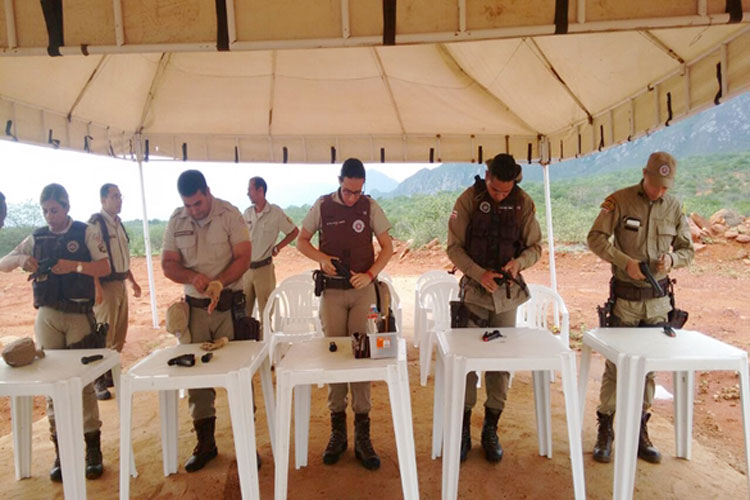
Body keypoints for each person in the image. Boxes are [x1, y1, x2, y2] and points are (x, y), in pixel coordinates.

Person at [587, 151, 694, 464]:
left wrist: (671, 260)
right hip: (625, 302)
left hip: (658, 304)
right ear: (644, 174)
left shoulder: (674, 207)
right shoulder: (619, 201)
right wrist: (624, 262)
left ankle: (639, 430)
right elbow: (595, 238)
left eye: (665, 186)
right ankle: (605, 428)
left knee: (647, 368)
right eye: (655, 184)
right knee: (616, 366)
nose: (659, 191)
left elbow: (687, 250)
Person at [0, 183, 111, 482]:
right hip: (48, 316)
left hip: (78, 315)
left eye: (55, 210)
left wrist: (74, 267)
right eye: (46, 211)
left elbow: (104, 267)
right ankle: (61, 451)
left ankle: (92, 449)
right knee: (52, 384)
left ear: (66, 206)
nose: (50, 216)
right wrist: (23, 259)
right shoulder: (37, 237)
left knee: (82, 383)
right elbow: (4, 263)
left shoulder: (85, 232)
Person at [297, 158, 394, 470]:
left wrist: (371, 274)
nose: (353, 197)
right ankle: (338, 432)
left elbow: (388, 247)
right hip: (333, 292)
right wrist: (321, 257)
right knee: (335, 355)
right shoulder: (323, 206)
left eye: (357, 191)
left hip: (362, 289)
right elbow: (301, 241)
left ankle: (363, 436)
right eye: (348, 191)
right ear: (339, 182)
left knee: (361, 354)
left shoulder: (370, 206)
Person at [446, 153, 542, 464]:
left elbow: (535, 247)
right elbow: (453, 248)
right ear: (486, 176)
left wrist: (519, 263)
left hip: (507, 296)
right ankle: (462, 430)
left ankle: (491, 428)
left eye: (506, 190)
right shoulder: (468, 201)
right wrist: (478, 273)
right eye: (496, 189)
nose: (500, 195)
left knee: (500, 364)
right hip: (474, 294)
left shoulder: (524, 203)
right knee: (467, 363)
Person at [161, 170, 253, 472]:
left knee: (240, 376)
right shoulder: (177, 220)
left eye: (198, 203)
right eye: (188, 205)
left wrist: (219, 282)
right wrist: (192, 277)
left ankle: (247, 444)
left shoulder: (229, 214)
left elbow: (243, 257)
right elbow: (168, 265)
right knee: (196, 378)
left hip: (229, 307)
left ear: (207, 192)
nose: (194, 210)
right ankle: (206, 443)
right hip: (195, 311)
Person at [89, 184, 142, 400]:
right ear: (103, 200)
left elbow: (121, 259)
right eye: (114, 196)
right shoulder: (95, 225)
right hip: (106, 285)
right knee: (104, 333)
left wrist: (133, 282)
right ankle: (97, 380)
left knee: (119, 332)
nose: (119, 200)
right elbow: (90, 258)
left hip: (120, 283)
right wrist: (96, 287)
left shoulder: (119, 225)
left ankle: (110, 373)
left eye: (120, 196)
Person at [241, 176, 299, 330]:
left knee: (266, 314)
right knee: (243, 313)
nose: (248, 193)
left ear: (261, 190)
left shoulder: (275, 213)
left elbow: (294, 232)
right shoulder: (247, 214)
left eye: (250, 190)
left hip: (264, 270)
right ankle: (248, 346)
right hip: (246, 270)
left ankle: (266, 348)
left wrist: (278, 247)